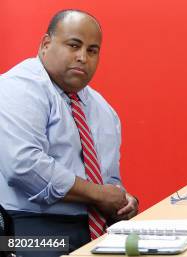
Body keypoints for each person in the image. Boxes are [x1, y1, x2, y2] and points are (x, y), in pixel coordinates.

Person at [0, 10, 138, 257]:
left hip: (96, 229)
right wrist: (99, 194)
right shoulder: (16, 87)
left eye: (92, 50)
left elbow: (109, 180)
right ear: (46, 44)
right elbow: (24, 166)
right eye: (74, 45)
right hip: (27, 230)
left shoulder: (104, 110)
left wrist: (123, 199)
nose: (83, 57)